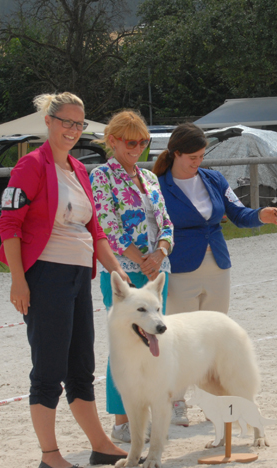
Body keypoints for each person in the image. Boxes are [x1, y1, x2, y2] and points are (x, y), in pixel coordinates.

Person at [0, 92, 130, 468]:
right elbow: (9, 224)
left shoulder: (80, 169)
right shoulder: (30, 166)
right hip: (45, 276)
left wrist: (115, 270)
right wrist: (19, 281)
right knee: (48, 369)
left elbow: (95, 230)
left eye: (79, 124)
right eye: (66, 122)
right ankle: (49, 454)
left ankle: (100, 445)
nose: (72, 130)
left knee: (81, 367)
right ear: (49, 122)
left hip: (76, 276)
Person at [154, 123, 277, 424]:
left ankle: (216, 403)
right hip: (180, 266)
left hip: (217, 266)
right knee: (179, 338)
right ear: (175, 154)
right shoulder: (158, 185)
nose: (198, 163)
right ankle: (175, 401)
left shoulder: (214, 178)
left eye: (201, 156)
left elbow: (239, 213)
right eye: (192, 157)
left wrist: (260, 215)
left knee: (214, 336)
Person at [89, 110, 174, 444]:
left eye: (143, 142)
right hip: (124, 276)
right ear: (112, 141)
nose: (137, 148)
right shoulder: (102, 177)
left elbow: (166, 222)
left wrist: (160, 253)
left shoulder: (150, 178)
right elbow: (106, 225)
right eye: (130, 142)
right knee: (124, 348)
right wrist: (139, 259)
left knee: (154, 345)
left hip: (156, 275)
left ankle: (148, 415)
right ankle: (122, 419)